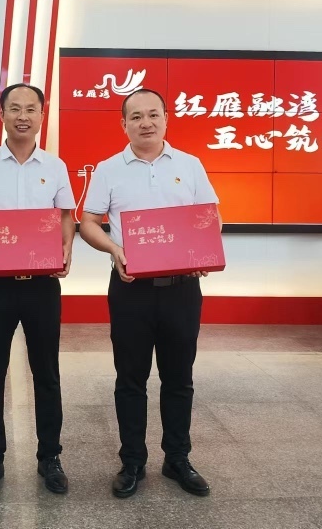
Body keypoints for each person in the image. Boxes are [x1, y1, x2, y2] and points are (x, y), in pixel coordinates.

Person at [78, 88, 220, 498]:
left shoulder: (190, 165)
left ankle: (177, 459)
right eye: (136, 116)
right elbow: (88, 222)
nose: (146, 123)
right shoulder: (108, 169)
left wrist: (204, 249)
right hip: (130, 289)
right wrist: (114, 250)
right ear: (124, 123)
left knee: (179, 377)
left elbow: (210, 216)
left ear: (166, 119)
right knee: (130, 378)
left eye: (153, 114)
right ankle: (132, 462)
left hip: (182, 289)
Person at [0, 83, 76, 498]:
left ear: (42, 115)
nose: (23, 116)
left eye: (31, 109)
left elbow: (65, 216)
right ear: (2, 114)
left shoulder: (55, 166)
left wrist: (67, 247)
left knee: (47, 374)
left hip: (42, 286)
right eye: (15, 108)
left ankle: (50, 457)